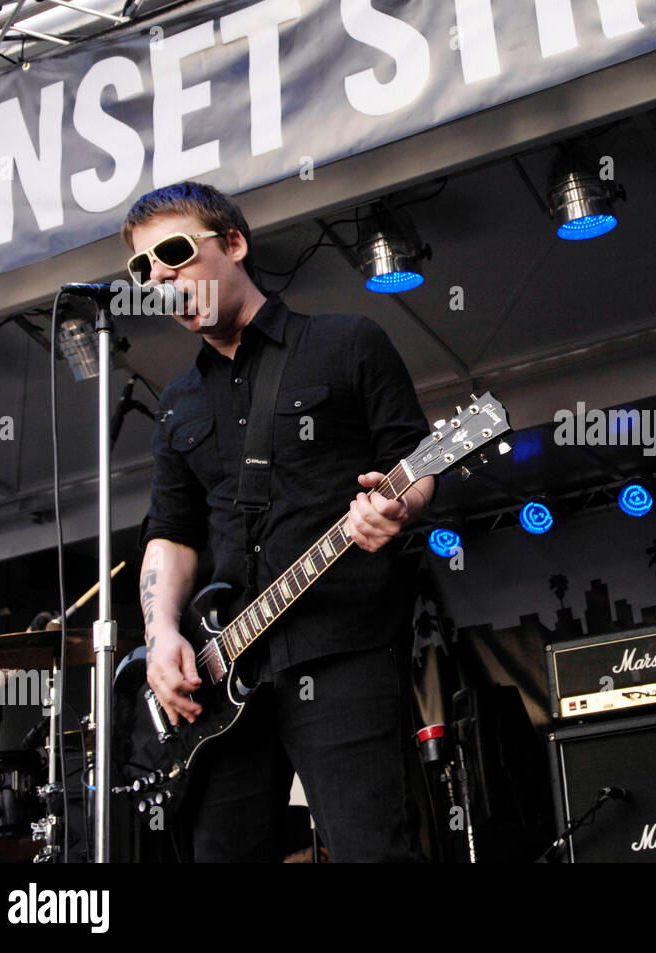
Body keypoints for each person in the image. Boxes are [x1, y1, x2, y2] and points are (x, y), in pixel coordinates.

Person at [131, 181, 435, 862]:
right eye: (145, 269)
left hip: (343, 649)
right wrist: (160, 636)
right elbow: (171, 532)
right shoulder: (177, 403)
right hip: (222, 678)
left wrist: (397, 506)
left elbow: (415, 463)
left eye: (175, 253)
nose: (160, 277)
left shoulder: (348, 342)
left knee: (374, 850)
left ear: (234, 243)